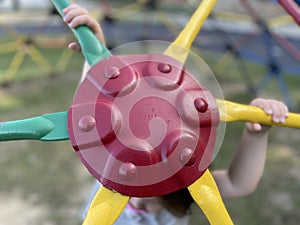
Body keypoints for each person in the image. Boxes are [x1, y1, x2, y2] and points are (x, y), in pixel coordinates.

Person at [62, 3, 290, 225]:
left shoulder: (185, 186)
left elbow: (237, 183)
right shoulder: (109, 167)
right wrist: (96, 50)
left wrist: (256, 133)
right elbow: (93, 111)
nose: (139, 200)